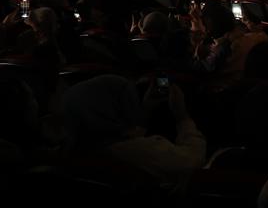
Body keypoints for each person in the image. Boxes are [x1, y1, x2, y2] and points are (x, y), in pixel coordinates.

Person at [62, 75, 206, 185]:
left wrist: (144, 113)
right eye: (125, 99)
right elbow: (192, 162)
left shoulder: (70, 153)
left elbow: (118, 136)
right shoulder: (137, 153)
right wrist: (182, 117)